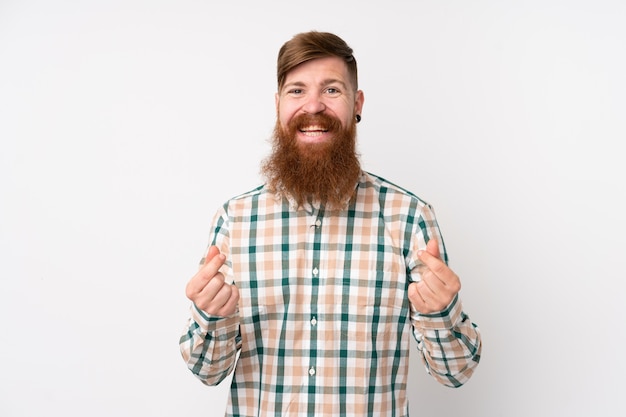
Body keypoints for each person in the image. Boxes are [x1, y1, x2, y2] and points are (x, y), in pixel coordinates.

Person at [179, 30, 482, 416]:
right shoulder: (235, 220)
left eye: (332, 90)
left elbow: (456, 372)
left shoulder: (409, 217)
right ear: (277, 105)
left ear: (357, 103)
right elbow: (207, 371)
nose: (313, 106)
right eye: (297, 91)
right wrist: (212, 316)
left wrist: (442, 313)